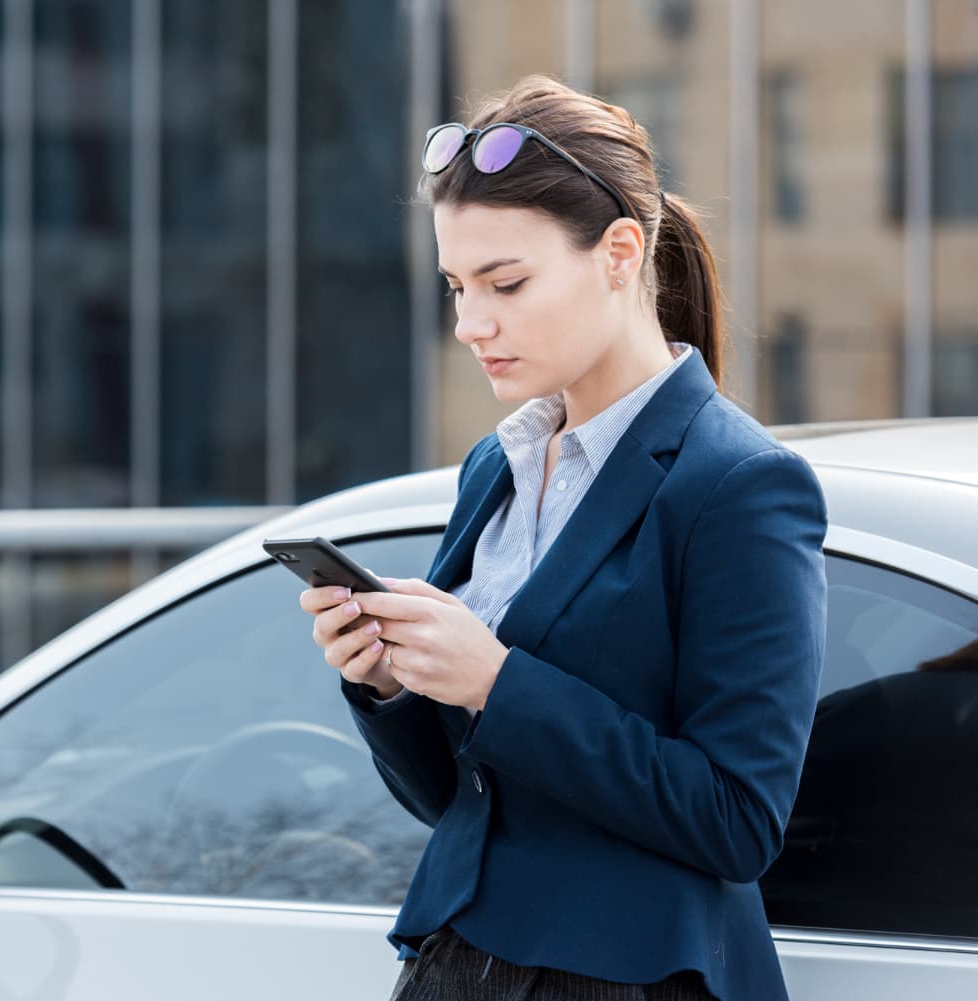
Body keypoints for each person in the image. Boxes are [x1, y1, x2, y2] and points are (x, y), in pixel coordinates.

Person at [299, 76, 828, 1001]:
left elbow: (739, 820)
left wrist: (495, 682)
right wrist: (389, 684)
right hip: (456, 966)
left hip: (630, 979)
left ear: (621, 253)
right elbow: (467, 803)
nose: (472, 324)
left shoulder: (741, 486)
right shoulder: (495, 467)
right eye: (458, 286)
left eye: (506, 283)